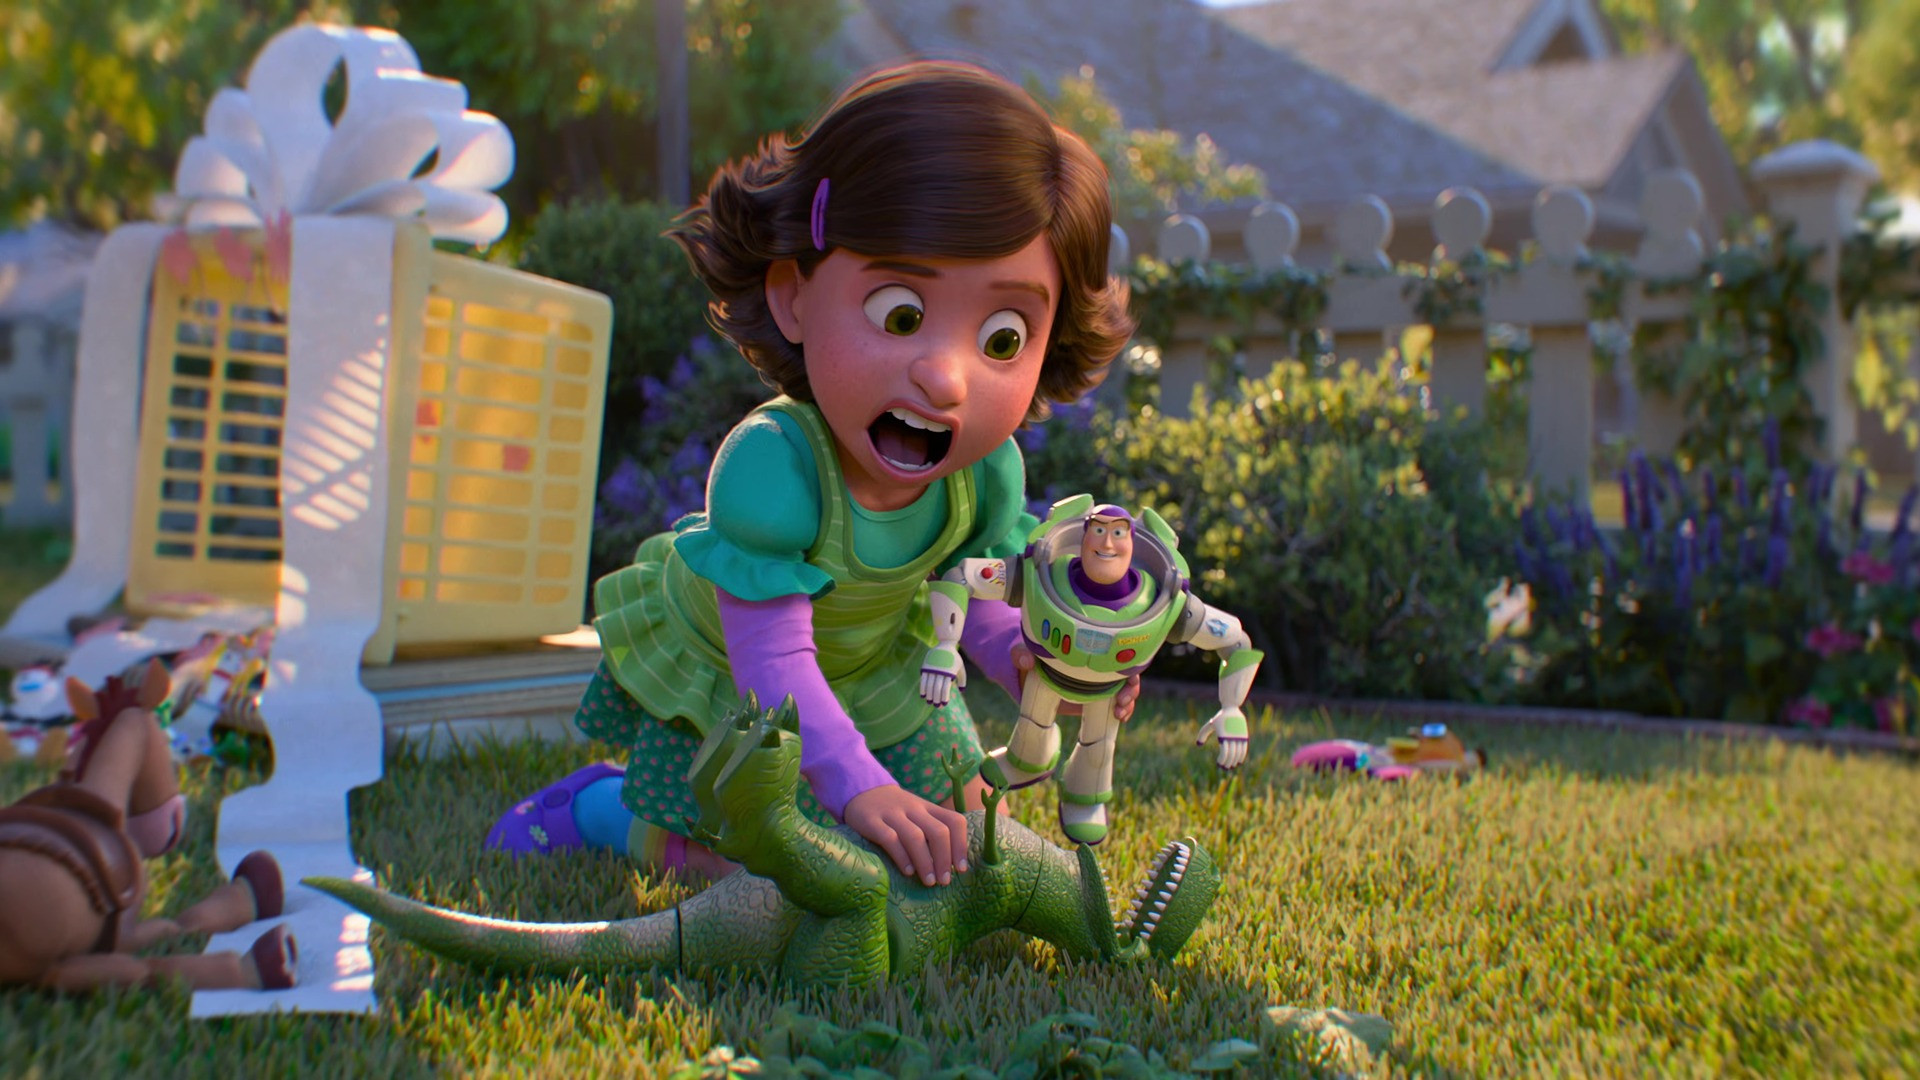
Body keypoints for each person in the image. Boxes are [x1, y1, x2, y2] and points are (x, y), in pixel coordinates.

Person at [486, 60, 1137, 886]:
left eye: (1002, 337)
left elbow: (972, 605)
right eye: (900, 313)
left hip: (878, 667)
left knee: (971, 835)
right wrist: (859, 788)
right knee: (764, 869)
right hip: (744, 677)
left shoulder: (985, 476)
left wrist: (1040, 663)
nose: (945, 378)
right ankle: (601, 809)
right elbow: (775, 663)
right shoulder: (773, 470)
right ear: (794, 296)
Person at [919, 499, 1261, 846]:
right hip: (1044, 672)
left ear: (1134, 543)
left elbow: (1235, 641)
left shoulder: (1168, 602)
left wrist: (1231, 708)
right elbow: (961, 576)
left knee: (1098, 746)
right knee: (1033, 721)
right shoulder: (1036, 572)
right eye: (1098, 531)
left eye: (1118, 534)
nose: (1107, 543)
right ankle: (1028, 759)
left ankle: (1086, 795)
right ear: (1081, 537)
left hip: (1107, 691)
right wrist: (946, 643)